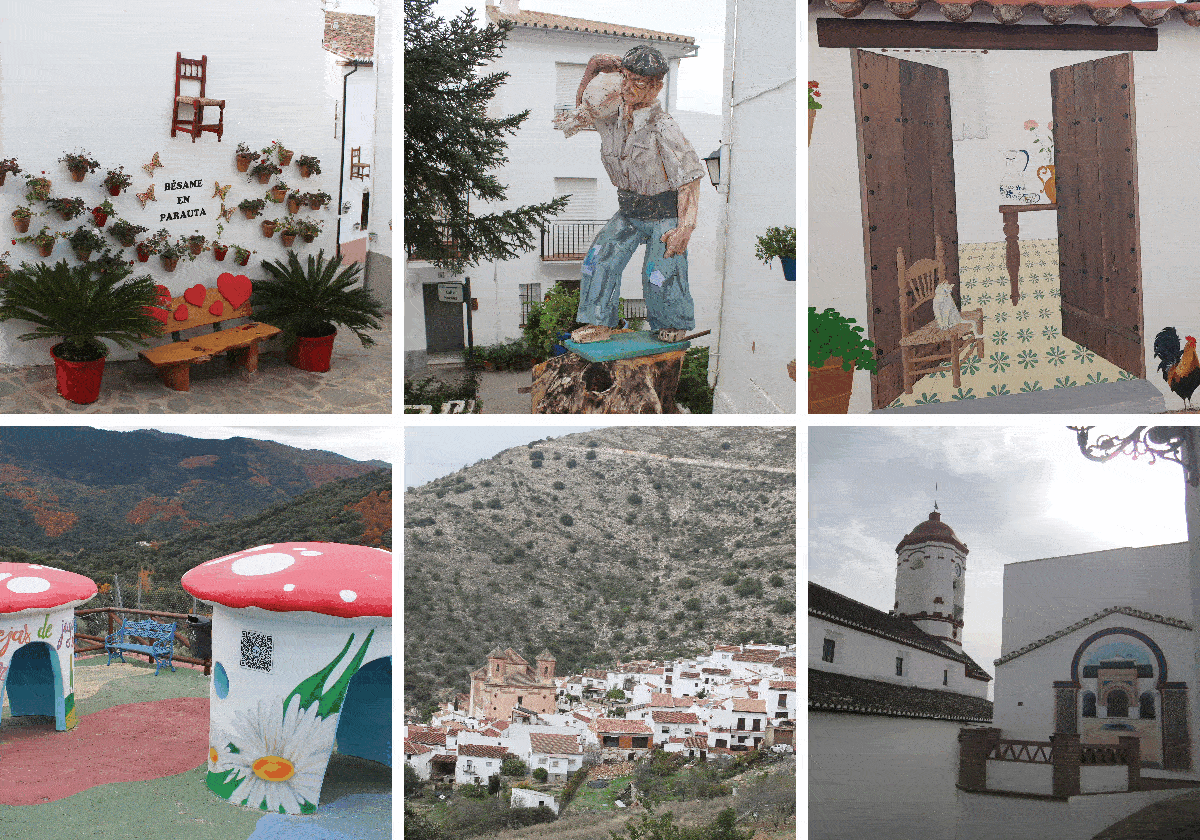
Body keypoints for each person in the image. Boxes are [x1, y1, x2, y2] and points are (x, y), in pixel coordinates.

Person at [567, 45, 705, 344]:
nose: (628, 88)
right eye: (625, 78)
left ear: (656, 87)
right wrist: (592, 67)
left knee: (658, 273)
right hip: (629, 210)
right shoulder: (610, 115)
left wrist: (685, 228)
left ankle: (674, 323)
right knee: (598, 260)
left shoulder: (664, 128)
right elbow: (581, 110)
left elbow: (690, 179)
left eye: (638, 83)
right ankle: (599, 323)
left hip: (664, 213)